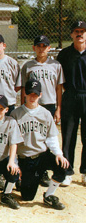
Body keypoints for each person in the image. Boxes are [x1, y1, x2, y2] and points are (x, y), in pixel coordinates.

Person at [11, 79, 69, 210]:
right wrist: (15, 162)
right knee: (27, 197)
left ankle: (49, 196)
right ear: (25, 93)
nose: (32, 97)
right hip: (26, 159)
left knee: (63, 166)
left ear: (40, 95)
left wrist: (59, 154)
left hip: (42, 155)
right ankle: (23, 181)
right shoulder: (16, 114)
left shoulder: (46, 113)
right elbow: (12, 142)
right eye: (30, 93)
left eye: (35, 94)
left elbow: (51, 137)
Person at [21, 35, 64, 187]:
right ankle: (36, 169)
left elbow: (59, 88)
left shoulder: (56, 65)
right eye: (38, 45)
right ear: (34, 48)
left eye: (44, 46)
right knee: (33, 135)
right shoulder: (28, 66)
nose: (41, 48)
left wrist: (58, 108)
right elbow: (24, 89)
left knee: (47, 137)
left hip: (49, 104)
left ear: (49, 48)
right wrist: (22, 106)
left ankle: (44, 169)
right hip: (32, 104)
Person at [57, 21, 86, 186]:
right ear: (71, 35)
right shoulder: (65, 54)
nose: (79, 34)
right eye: (76, 31)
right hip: (70, 96)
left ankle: (85, 171)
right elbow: (59, 83)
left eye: (82, 31)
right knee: (68, 135)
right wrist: (59, 106)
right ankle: (67, 171)